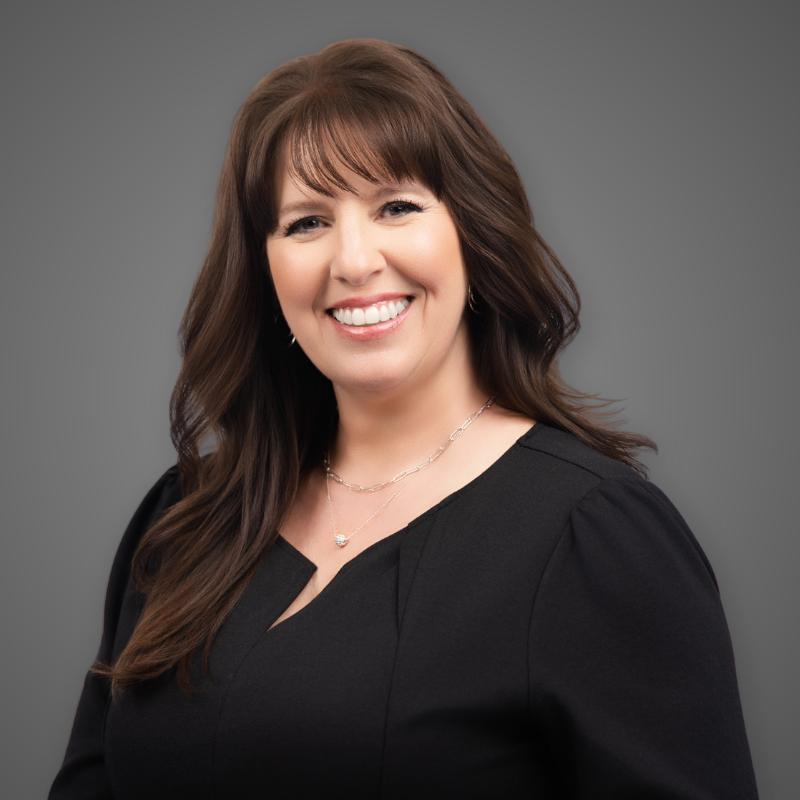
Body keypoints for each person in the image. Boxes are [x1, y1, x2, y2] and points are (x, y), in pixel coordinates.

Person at [50, 38, 759, 799]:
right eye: (305, 223)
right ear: (264, 270)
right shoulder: (189, 516)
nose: (354, 261)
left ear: (473, 233)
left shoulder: (596, 540)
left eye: (396, 207)